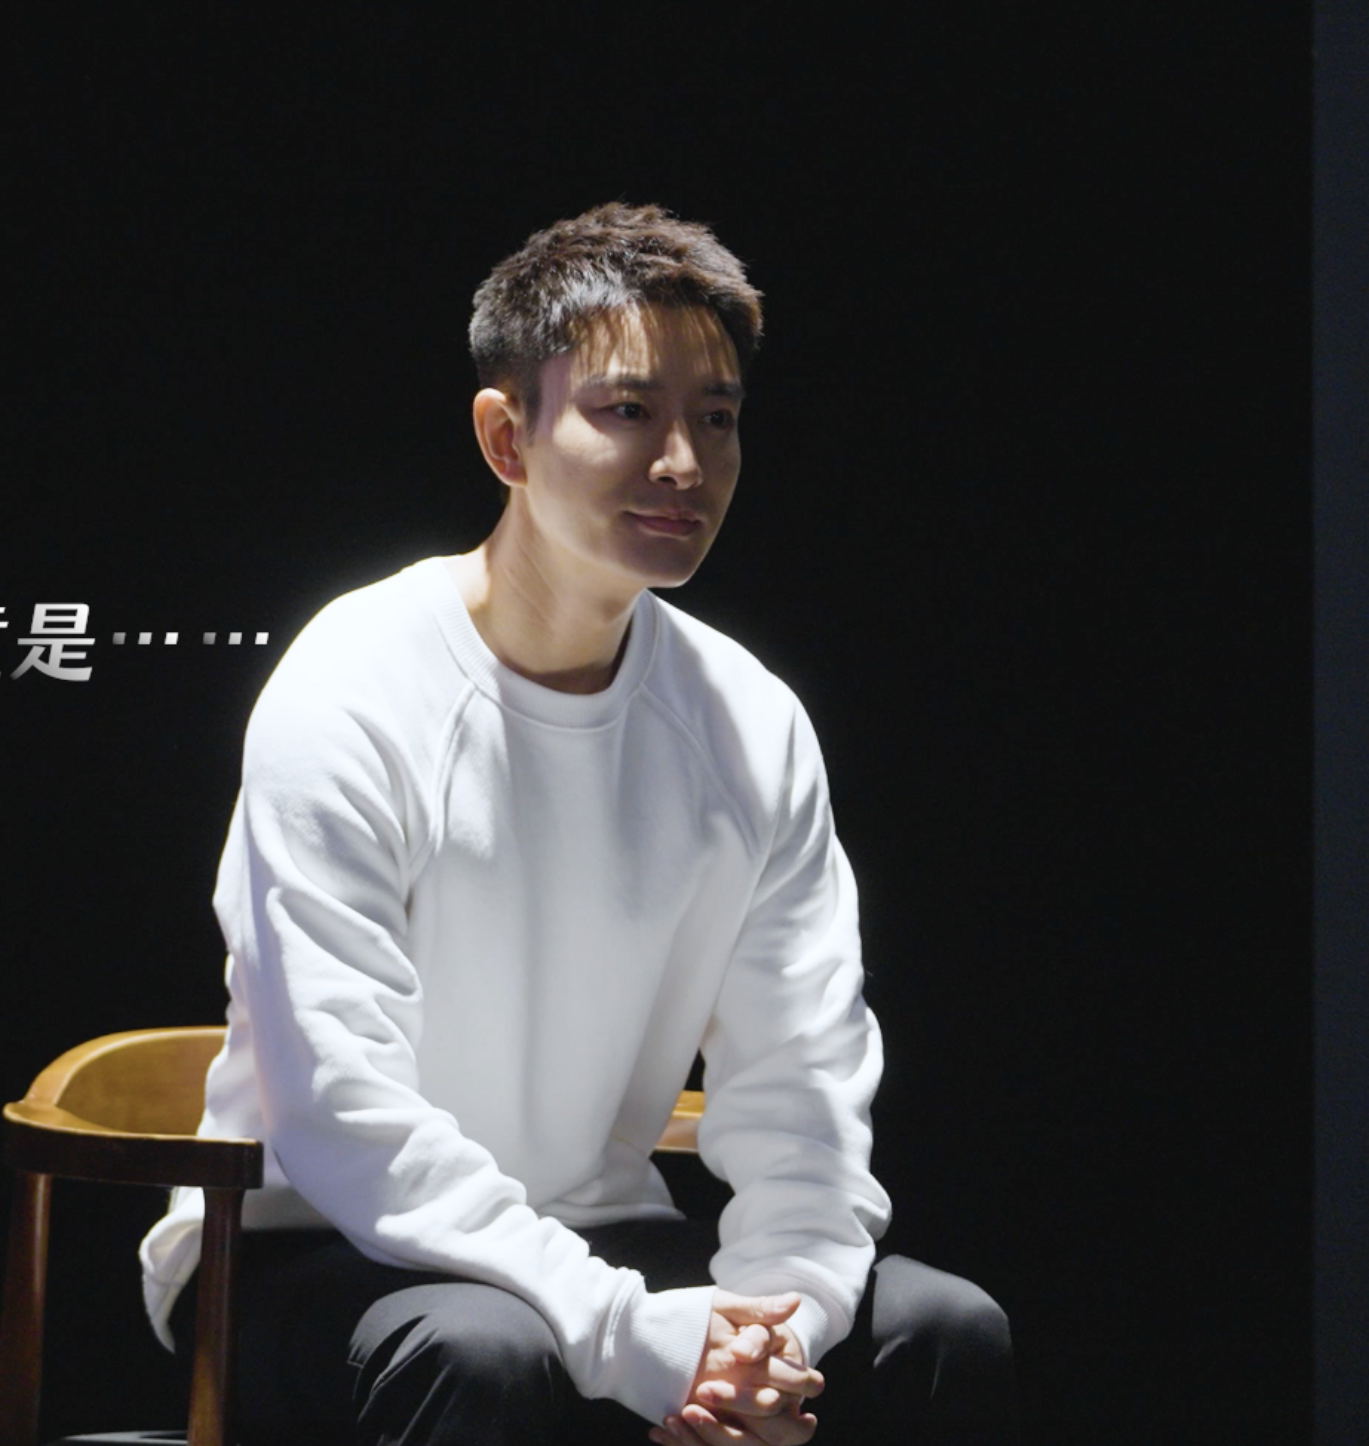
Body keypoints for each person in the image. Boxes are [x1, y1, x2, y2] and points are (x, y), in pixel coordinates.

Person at [135, 204, 1018, 1446]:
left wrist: (774, 1328)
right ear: (506, 436)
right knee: (481, 1351)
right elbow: (343, 1118)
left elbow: (803, 1091)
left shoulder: (747, 719)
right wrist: (631, 1334)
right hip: (308, 1241)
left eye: (716, 417)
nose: (683, 462)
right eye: (627, 410)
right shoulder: (352, 683)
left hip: (601, 1234)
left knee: (942, 1327)